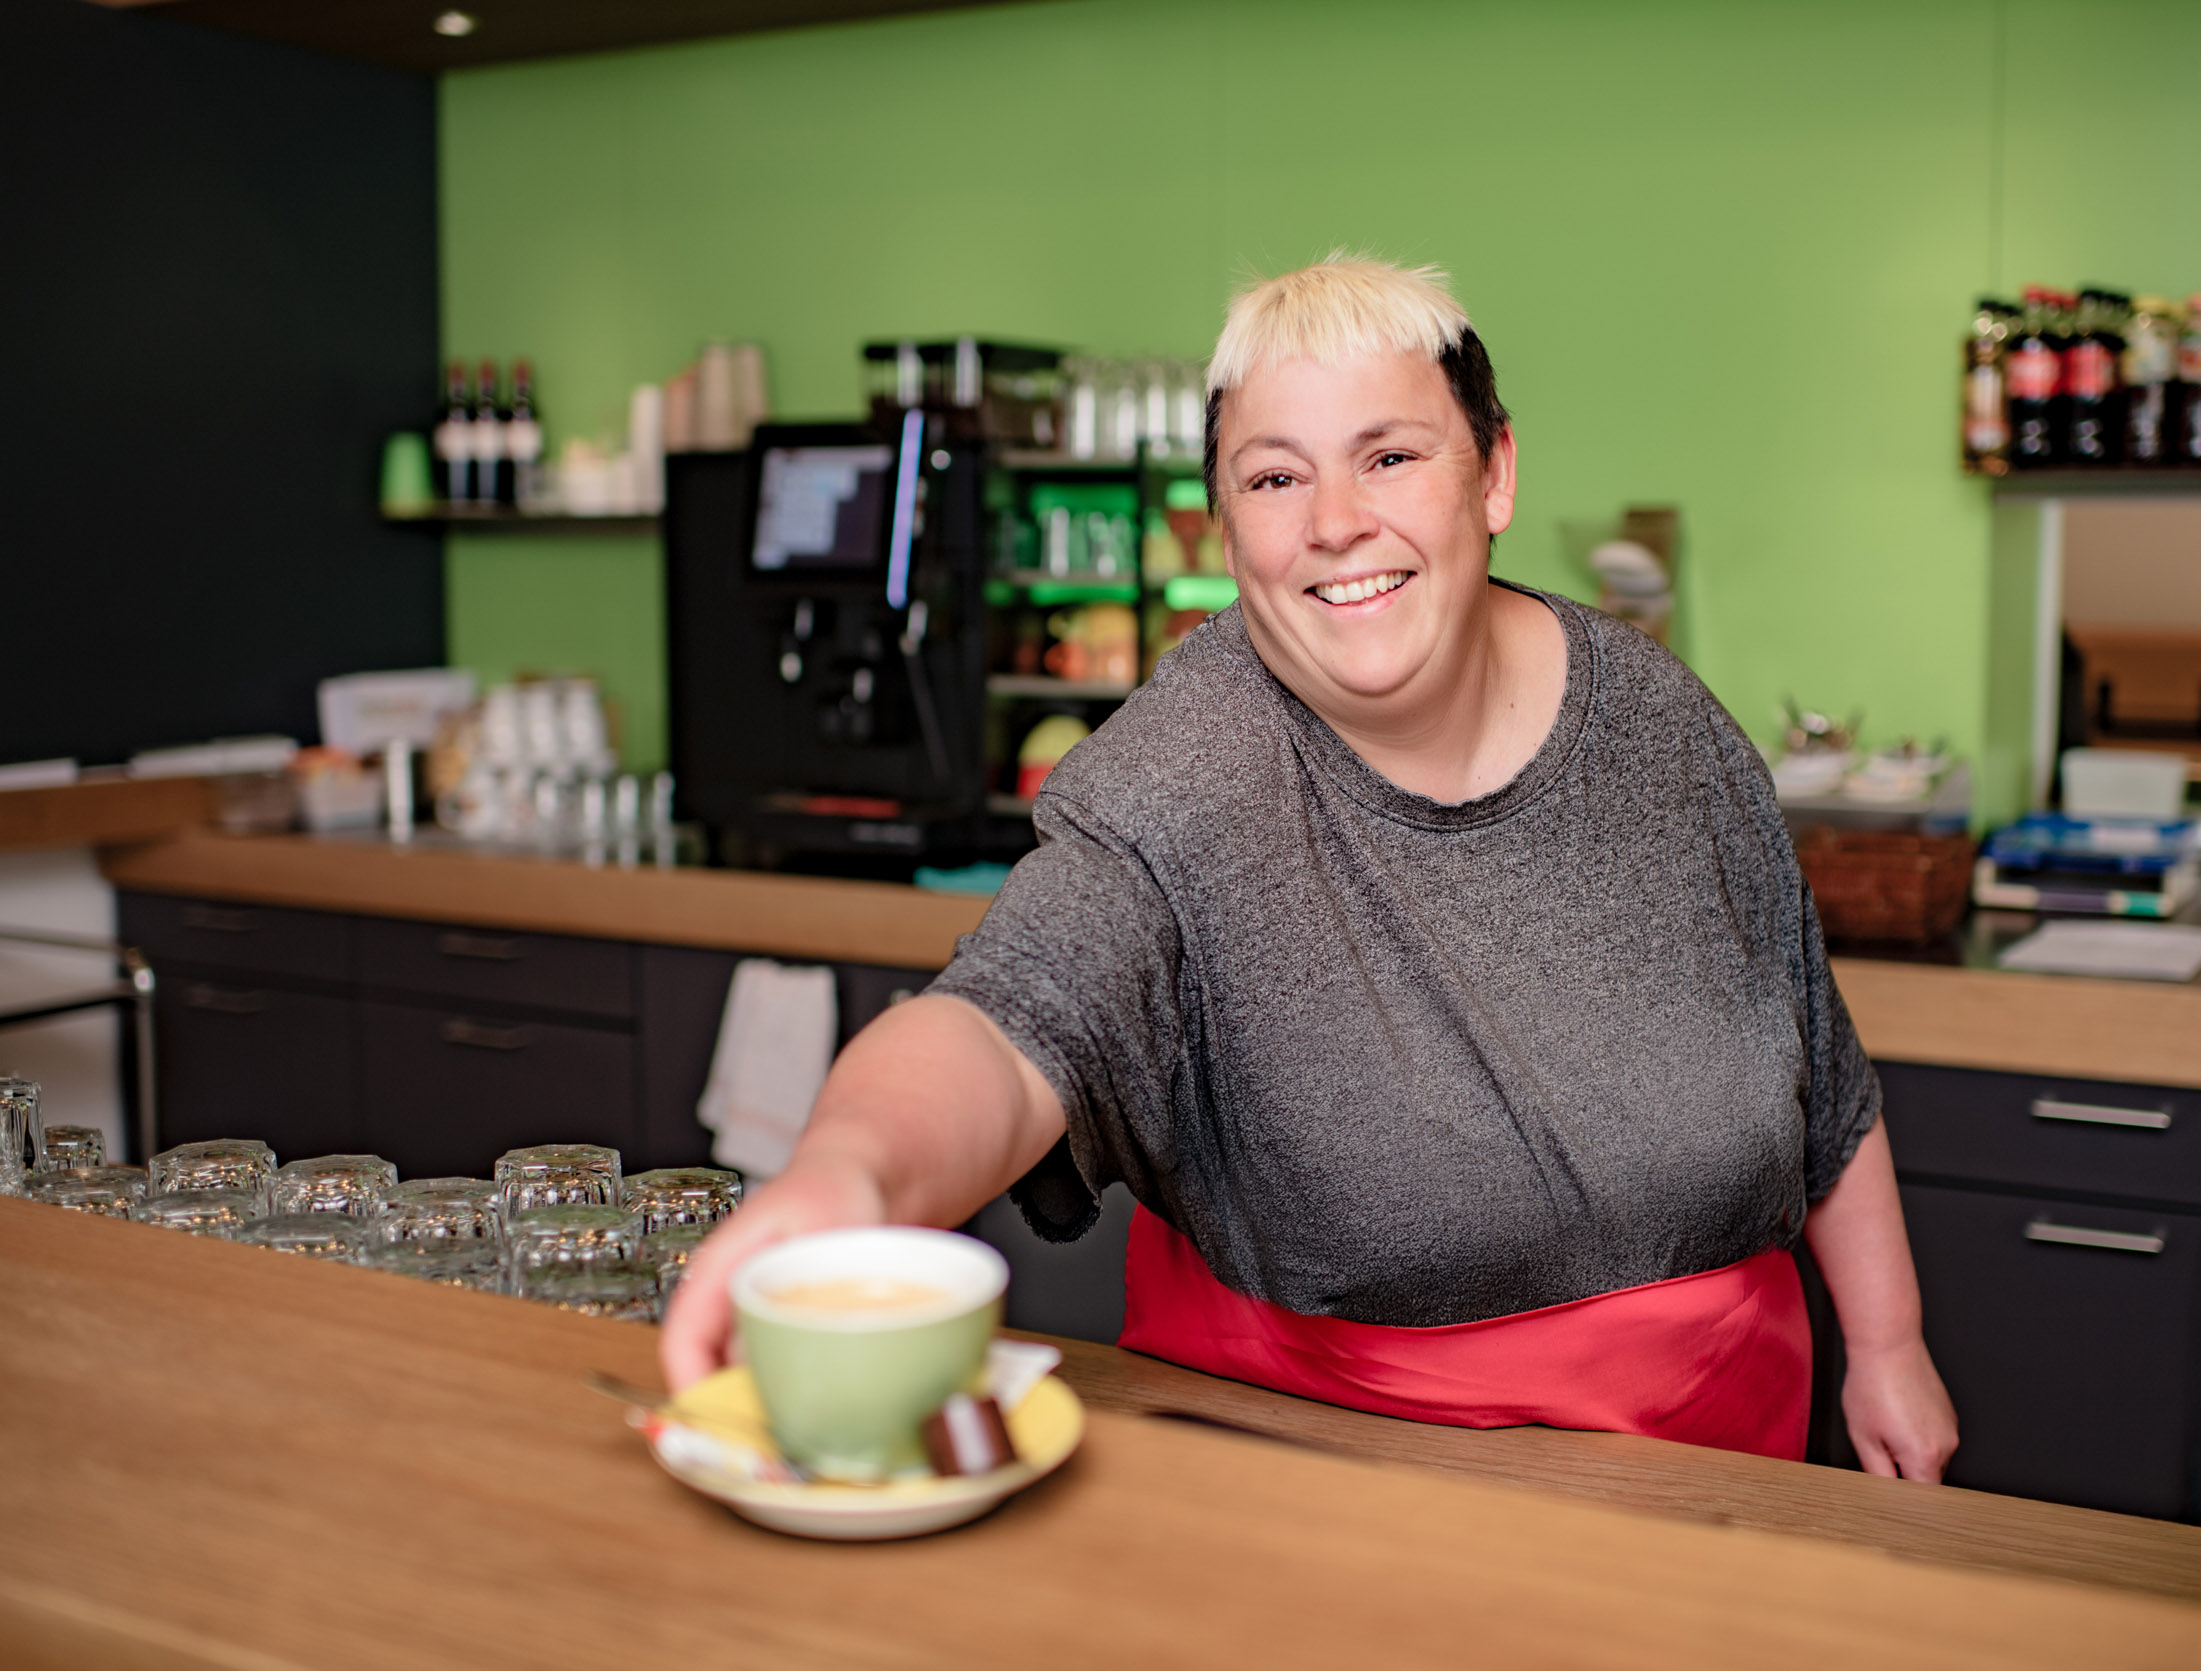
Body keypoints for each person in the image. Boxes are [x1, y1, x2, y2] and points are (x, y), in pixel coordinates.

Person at [663, 256, 1958, 1479]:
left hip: (1723, 1484)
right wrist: (849, 1171)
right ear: (1225, 523)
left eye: (1389, 457)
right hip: (1337, 1490)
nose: (1336, 523)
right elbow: (1006, 1027)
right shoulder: (1183, 773)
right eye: (1275, 478)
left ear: (1493, 475)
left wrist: (1890, 1346)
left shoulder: (1662, 724)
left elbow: (1818, 1069)